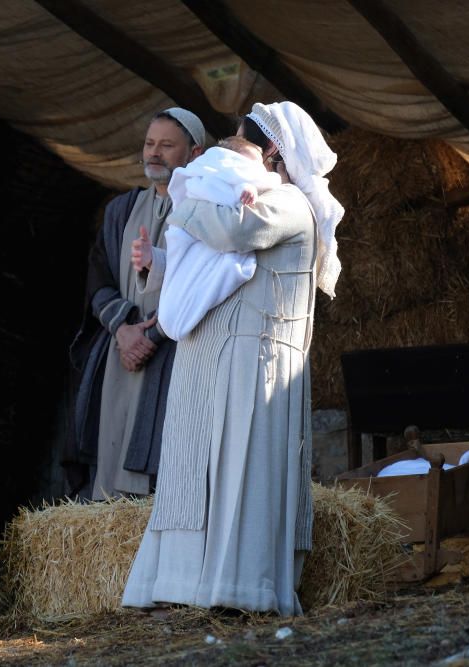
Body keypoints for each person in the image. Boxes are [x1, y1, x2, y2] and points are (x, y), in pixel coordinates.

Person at [122, 101, 345, 615]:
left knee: (245, 471)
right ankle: (183, 582)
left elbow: (233, 233)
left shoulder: (291, 203)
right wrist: (157, 259)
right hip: (220, 353)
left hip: (259, 359)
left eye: (249, 145)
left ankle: (243, 587)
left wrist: (182, 192)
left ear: (273, 151)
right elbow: (205, 259)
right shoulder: (250, 193)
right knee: (197, 471)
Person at [68, 107, 206, 500]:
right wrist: (125, 329)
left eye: (166, 145)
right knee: (110, 458)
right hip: (122, 349)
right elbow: (99, 277)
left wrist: (154, 334)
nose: (154, 154)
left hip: (177, 350)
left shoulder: (206, 211)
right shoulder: (121, 210)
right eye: (149, 144)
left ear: (194, 154)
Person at [140, 135, 282, 341]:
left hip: (210, 237)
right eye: (249, 162)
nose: (254, 169)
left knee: (198, 280)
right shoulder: (211, 169)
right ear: (231, 157)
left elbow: (244, 188)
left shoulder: (250, 186)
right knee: (182, 278)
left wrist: (247, 189)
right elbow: (200, 191)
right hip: (189, 237)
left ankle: (175, 316)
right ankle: (172, 315)